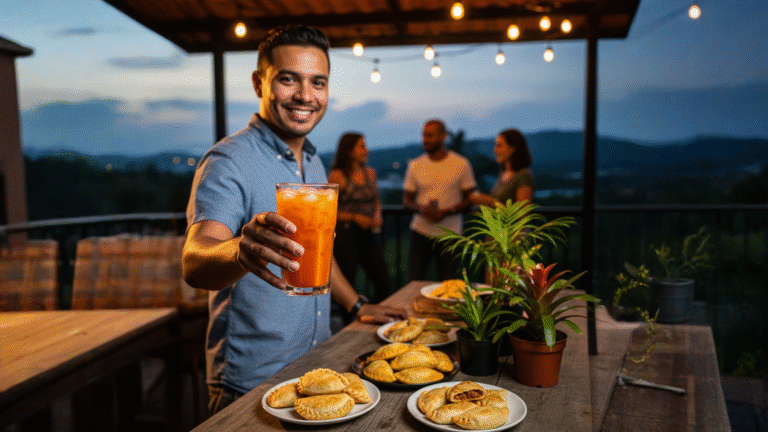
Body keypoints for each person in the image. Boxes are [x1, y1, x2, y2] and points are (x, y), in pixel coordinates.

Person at [181, 25, 406, 415]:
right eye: (289, 80)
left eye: (318, 83)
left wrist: (355, 306)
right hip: (252, 381)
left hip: (316, 367)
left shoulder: (315, 163)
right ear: (259, 83)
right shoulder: (228, 161)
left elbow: (319, 252)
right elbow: (195, 260)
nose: (305, 95)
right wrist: (241, 251)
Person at [403, 119, 477, 282]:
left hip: (450, 233)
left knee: (450, 282)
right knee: (414, 280)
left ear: (443, 136)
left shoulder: (461, 164)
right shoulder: (415, 165)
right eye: (423, 135)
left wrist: (447, 211)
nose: (425, 140)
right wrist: (423, 210)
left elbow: (470, 199)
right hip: (420, 231)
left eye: (430, 135)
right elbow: (407, 200)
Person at [328, 132, 392, 305]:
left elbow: (376, 199)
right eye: (362, 146)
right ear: (349, 150)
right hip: (345, 236)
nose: (367, 150)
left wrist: (377, 215)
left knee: (384, 285)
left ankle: (368, 312)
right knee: (347, 286)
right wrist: (355, 217)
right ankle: (349, 325)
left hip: (367, 235)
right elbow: (327, 211)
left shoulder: (370, 173)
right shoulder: (337, 176)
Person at [471, 128, 534, 207]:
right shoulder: (504, 173)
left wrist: (490, 201)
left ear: (512, 148)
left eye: (499, 146)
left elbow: (522, 214)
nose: (495, 150)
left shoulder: (523, 175)